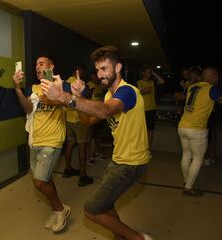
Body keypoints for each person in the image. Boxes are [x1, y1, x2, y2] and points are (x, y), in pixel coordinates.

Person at [41, 46, 153, 240]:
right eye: (98, 70)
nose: (100, 74)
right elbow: (88, 122)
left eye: (105, 69)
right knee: (105, 204)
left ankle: (138, 238)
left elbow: (104, 111)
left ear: (117, 68)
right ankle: (121, 236)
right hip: (119, 159)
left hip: (131, 163)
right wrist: (78, 97)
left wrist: (64, 97)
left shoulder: (127, 91)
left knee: (92, 210)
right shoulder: (110, 94)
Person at [13, 55, 70, 232]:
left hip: (52, 141)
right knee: (45, 179)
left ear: (51, 66)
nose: (37, 66)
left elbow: (73, 100)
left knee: (39, 182)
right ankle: (57, 208)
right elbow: (28, 109)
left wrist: (55, 99)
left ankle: (60, 210)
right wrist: (17, 88)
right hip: (35, 140)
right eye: (36, 64)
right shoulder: (34, 88)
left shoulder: (61, 85)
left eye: (41, 63)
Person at [178, 66, 222, 196]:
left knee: (186, 155)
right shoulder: (212, 89)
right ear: (212, 76)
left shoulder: (192, 87)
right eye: (217, 76)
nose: (218, 78)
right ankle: (188, 188)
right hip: (197, 129)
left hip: (183, 126)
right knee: (198, 159)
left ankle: (186, 181)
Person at [63, 65, 94, 186]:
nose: (82, 73)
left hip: (68, 119)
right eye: (81, 71)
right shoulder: (79, 83)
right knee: (82, 146)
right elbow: (85, 98)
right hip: (79, 119)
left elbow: (65, 100)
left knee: (70, 143)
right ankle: (83, 176)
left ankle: (68, 169)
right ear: (77, 72)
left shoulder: (65, 83)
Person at [137, 66, 165, 146]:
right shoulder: (138, 83)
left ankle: (148, 149)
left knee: (150, 130)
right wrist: (142, 92)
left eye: (151, 72)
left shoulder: (152, 83)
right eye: (148, 72)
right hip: (140, 110)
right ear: (143, 73)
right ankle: (140, 147)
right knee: (140, 130)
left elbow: (162, 81)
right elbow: (134, 95)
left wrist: (154, 73)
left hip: (151, 109)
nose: (150, 74)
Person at [86, 70, 108, 165]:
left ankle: (97, 153)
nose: (98, 77)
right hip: (91, 115)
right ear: (92, 76)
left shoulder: (100, 86)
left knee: (98, 135)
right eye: (96, 75)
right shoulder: (88, 86)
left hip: (99, 114)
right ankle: (87, 156)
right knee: (89, 136)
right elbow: (85, 101)